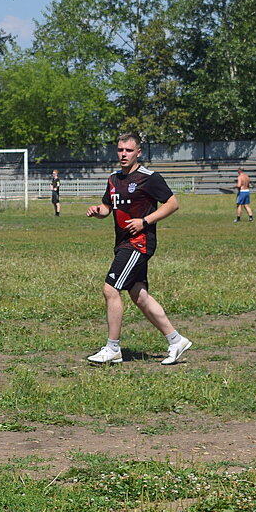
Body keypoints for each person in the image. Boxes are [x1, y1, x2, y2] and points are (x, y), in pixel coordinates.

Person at [85, 133, 192, 366]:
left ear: (138, 152)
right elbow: (107, 208)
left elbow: (173, 204)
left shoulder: (149, 178)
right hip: (123, 243)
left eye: (128, 150)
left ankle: (113, 348)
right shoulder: (113, 179)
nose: (123, 154)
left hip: (139, 243)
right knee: (139, 295)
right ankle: (176, 341)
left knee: (111, 289)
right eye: (120, 150)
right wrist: (98, 211)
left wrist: (145, 221)